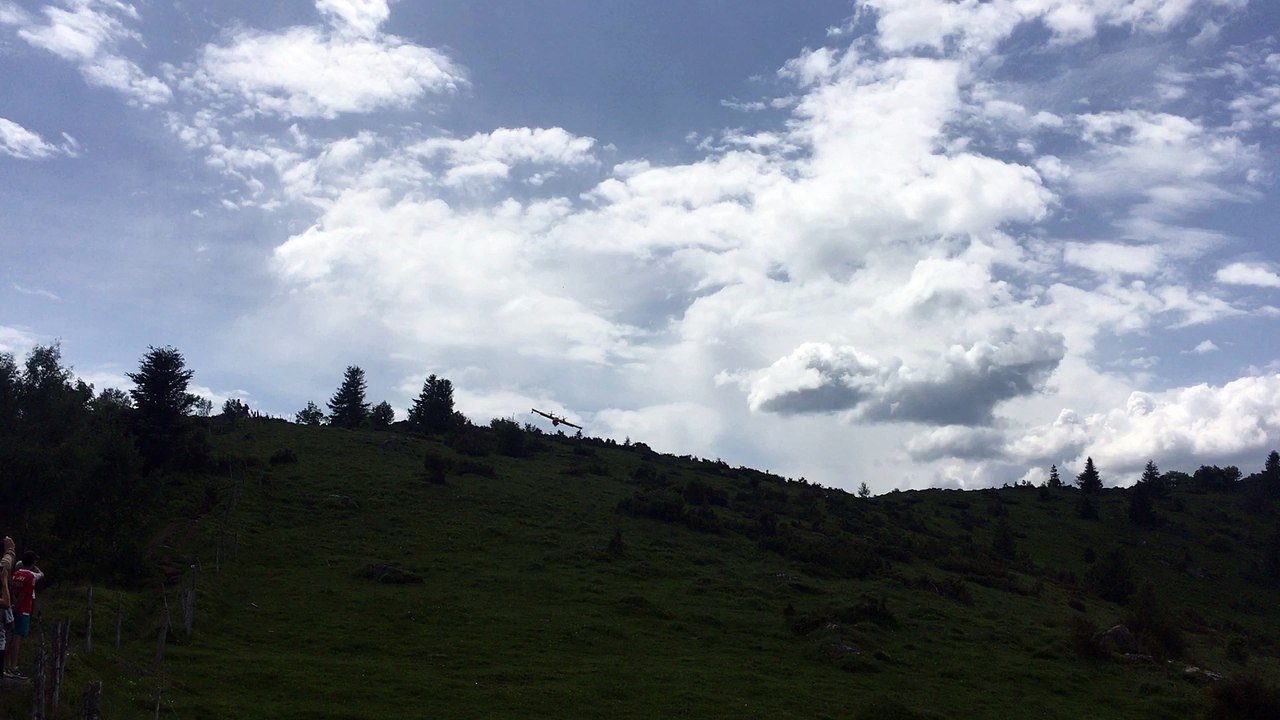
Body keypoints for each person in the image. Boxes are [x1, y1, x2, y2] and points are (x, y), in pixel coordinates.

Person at [5, 550, 43, 679]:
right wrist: (16, 606)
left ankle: (6, 665)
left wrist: (12, 605)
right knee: (17, 639)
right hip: (23, 610)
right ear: (33, 563)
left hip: (11, 608)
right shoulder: (30, 576)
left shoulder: (16, 574)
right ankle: (13, 667)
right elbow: (24, 594)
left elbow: (12, 589)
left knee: (8, 637)